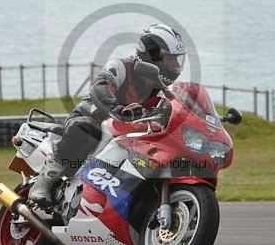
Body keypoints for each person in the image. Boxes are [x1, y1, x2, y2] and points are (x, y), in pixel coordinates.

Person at [28, 24, 186, 206]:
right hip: (93, 119)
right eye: (170, 59)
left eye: (177, 60)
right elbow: (100, 87)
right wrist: (117, 108)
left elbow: (178, 109)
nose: (174, 65)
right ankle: (45, 181)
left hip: (127, 134)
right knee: (86, 128)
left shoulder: (164, 90)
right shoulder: (121, 66)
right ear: (151, 54)